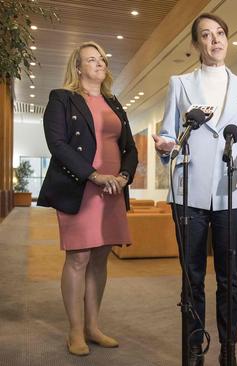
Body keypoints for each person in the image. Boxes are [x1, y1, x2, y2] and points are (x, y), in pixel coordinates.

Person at [151, 13, 237, 366]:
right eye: (206, 35)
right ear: (196, 44)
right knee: (192, 277)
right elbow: (168, 132)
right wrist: (164, 145)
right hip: (188, 192)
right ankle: (194, 350)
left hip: (232, 192)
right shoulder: (180, 83)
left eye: (220, 33)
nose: (215, 40)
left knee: (230, 280)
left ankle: (229, 349)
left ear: (228, 38)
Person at [37, 41, 138, 356]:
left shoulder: (114, 101)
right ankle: (75, 331)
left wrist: (123, 177)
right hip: (81, 186)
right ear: (78, 67)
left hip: (112, 190)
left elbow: (129, 148)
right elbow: (57, 144)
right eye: (91, 59)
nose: (99, 63)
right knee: (79, 257)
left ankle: (94, 326)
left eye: (102, 59)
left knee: (99, 257)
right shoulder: (62, 98)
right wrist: (94, 175)